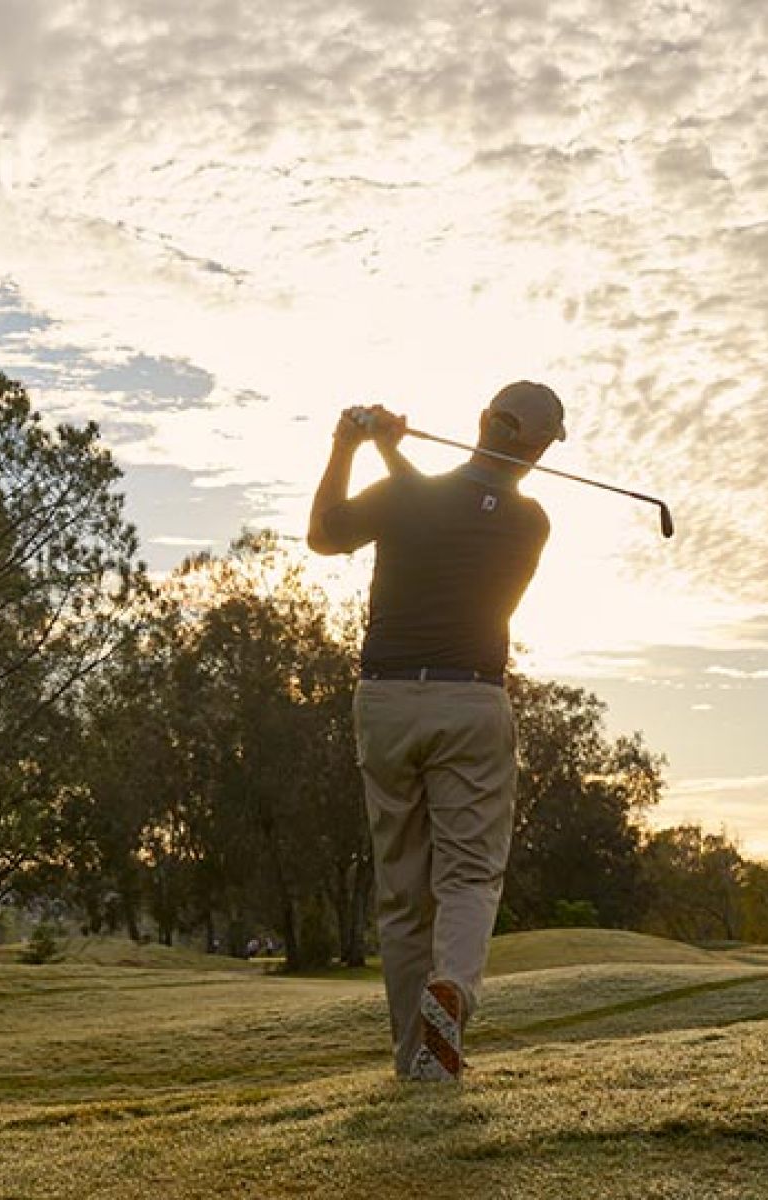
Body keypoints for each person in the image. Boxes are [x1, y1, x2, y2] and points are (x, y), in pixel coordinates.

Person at [306, 381, 566, 1082]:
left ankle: (414, 1060)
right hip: (472, 703)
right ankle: (453, 982)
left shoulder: (408, 499)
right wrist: (391, 453)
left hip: (386, 698)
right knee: (470, 872)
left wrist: (350, 444)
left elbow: (323, 532)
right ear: (540, 450)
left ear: (481, 421)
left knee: (402, 892)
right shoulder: (531, 522)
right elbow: (452, 507)